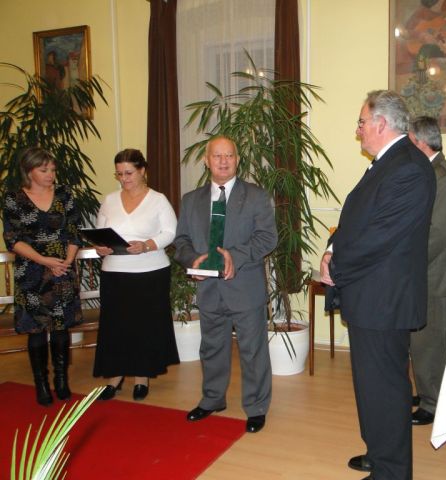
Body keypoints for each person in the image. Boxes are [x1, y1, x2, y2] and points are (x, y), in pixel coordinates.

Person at [320, 90, 436, 480]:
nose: (358, 131)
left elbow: (380, 237)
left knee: (385, 388)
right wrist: (331, 249)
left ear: (381, 124)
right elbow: (357, 219)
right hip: (371, 295)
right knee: (371, 385)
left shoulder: (408, 167)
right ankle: (379, 451)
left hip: (385, 300)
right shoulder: (388, 163)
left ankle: (391, 471)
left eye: (361, 122)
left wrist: (336, 266)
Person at [174, 136, 277, 434]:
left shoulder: (256, 196)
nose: (223, 161)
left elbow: (267, 238)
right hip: (208, 289)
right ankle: (212, 399)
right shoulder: (191, 200)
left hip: (245, 286)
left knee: (252, 351)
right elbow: (181, 241)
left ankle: (256, 407)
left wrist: (235, 256)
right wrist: (192, 260)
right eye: (217, 156)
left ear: (237, 160)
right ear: (206, 161)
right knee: (211, 347)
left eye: (229, 155)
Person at [92, 149, 179, 401]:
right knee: (116, 326)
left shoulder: (158, 200)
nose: (124, 178)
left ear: (142, 170)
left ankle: (142, 377)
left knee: (144, 326)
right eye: (119, 174)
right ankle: (114, 377)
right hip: (114, 273)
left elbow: (170, 232)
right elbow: (100, 233)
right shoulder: (110, 200)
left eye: (129, 173)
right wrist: (100, 247)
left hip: (150, 272)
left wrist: (147, 245)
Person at [2, 147, 83, 406]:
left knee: (61, 327)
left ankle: (61, 379)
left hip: (63, 269)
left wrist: (67, 261)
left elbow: (74, 232)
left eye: (53, 170)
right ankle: (41, 383)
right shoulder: (13, 198)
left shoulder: (64, 194)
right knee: (35, 330)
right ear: (29, 171)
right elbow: (12, 239)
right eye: (44, 170)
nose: (51, 174)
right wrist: (44, 260)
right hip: (32, 273)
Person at [408, 116, 446, 426]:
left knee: (428, 342)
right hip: (426, 270)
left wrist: (406, 261)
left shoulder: (443, 177)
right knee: (419, 340)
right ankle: (425, 392)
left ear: (420, 143)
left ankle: (433, 403)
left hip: (434, 274)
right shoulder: (431, 172)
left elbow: (439, 234)